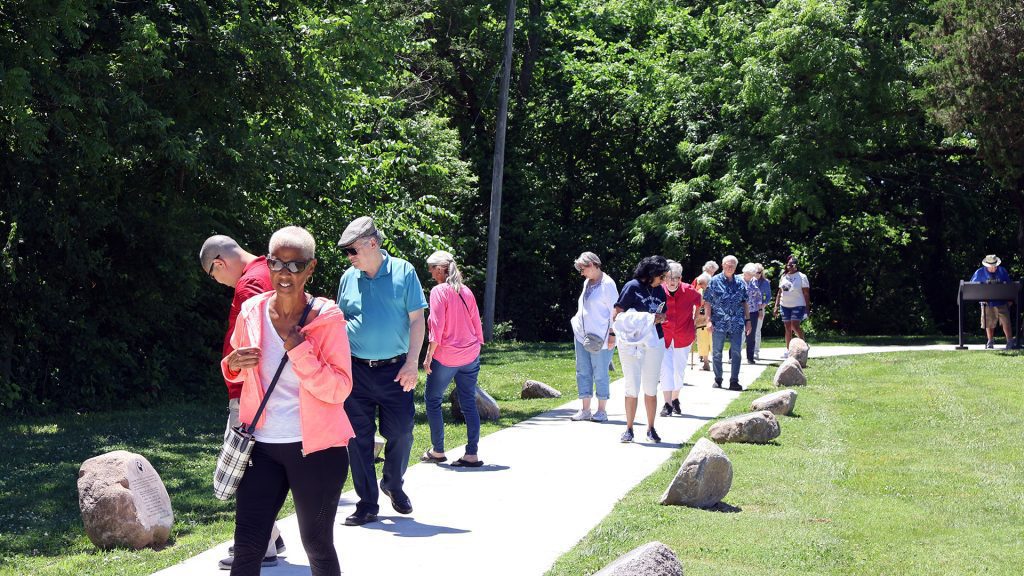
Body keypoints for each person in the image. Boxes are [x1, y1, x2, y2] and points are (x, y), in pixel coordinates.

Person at [221, 226, 354, 576]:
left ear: (310, 269)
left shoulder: (326, 318)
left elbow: (340, 388)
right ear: (267, 264)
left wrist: (300, 350)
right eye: (277, 263)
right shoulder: (251, 311)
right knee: (247, 546)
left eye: (296, 266)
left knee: (317, 546)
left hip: (317, 452)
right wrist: (231, 365)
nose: (285, 273)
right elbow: (237, 370)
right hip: (261, 448)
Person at [199, 235, 286, 569]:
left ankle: (258, 545)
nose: (218, 282)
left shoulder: (249, 284)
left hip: (250, 391)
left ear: (219, 263)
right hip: (267, 390)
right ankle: (273, 535)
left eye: (213, 275)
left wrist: (241, 389)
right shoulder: (269, 268)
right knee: (253, 465)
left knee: (243, 468)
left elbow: (254, 345)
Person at [335, 216, 427, 526]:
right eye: (346, 252)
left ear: (372, 243)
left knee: (400, 432)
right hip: (355, 371)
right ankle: (367, 503)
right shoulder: (349, 277)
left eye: (352, 250)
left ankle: (392, 483)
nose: (349, 257)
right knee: (357, 440)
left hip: (395, 370)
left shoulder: (404, 271)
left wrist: (412, 362)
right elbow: (339, 322)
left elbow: (417, 320)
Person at [421, 250, 486, 466]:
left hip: (447, 356)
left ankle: (438, 451)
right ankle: (471, 454)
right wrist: (477, 346)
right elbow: (477, 322)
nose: (430, 274)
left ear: (440, 269)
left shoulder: (439, 291)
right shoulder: (466, 291)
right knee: (468, 402)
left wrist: (429, 356)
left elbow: (437, 327)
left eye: (431, 269)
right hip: (470, 354)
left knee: (432, 400)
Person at [612, 256, 670, 444]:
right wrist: (645, 319)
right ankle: (629, 428)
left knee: (651, 386)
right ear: (651, 273)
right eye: (661, 276)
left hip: (654, 341)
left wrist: (660, 318)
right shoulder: (632, 286)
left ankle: (651, 428)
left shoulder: (660, 290)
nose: (663, 280)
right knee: (631, 386)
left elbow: (663, 312)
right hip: (631, 343)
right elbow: (617, 314)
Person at [569, 252, 618, 423]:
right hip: (582, 335)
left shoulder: (607, 284)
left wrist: (612, 334)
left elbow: (616, 310)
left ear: (592, 265)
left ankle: (602, 410)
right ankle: (585, 409)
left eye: (583, 269)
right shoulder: (586, 282)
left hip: (601, 337)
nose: (582, 273)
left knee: (600, 373)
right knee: (582, 371)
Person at [659, 261, 702, 417]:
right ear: (664, 278)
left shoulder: (689, 291)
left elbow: (701, 302)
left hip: (683, 336)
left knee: (678, 371)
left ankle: (675, 398)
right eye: (669, 277)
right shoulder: (658, 290)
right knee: (665, 371)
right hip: (663, 337)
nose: (672, 281)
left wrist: (695, 319)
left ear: (680, 278)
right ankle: (667, 404)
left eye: (675, 278)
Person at [703, 255, 750, 391]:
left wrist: (748, 321)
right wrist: (708, 321)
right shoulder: (714, 281)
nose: (730, 268)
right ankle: (718, 379)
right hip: (718, 322)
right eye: (727, 265)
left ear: (736, 268)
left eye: (733, 266)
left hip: (737, 322)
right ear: (722, 265)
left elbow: (745, 302)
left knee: (736, 352)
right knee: (717, 352)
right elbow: (707, 302)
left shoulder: (740, 282)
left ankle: (734, 380)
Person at [970, 254, 1015, 349]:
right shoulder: (979, 272)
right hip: (987, 302)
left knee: (1006, 322)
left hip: (1002, 301)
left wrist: (1010, 299)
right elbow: (973, 287)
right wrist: (981, 297)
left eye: (995, 266)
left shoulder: (1002, 271)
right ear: (986, 265)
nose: (993, 268)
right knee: (989, 322)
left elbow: (1009, 286)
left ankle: (1010, 341)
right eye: (991, 267)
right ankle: (990, 341)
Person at [774, 255, 810, 352]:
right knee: (787, 327)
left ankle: (803, 345)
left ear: (796, 265)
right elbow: (779, 292)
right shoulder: (784, 276)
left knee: (795, 325)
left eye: (791, 265)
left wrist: (807, 308)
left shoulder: (802, 277)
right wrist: (776, 306)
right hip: (784, 305)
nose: (789, 266)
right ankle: (788, 349)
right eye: (788, 265)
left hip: (798, 304)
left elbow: (806, 293)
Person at [741, 263, 763, 364]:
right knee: (737, 334)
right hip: (739, 311)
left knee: (751, 335)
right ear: (745, 272)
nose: (751, 276)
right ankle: (732, 356)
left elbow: (758, 296)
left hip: (753, 311)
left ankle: (750, 358)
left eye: (752, 274)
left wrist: (760, 310)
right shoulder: (737, 279)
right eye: (749, 274)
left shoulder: (754, 281)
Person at [753, 263, 772, 360]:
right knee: (744, 330)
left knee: (757, 330)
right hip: (749, 307)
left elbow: (768, 296)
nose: (757, 274)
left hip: (760, 307)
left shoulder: (765, 282)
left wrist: (763, 305)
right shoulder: (749, 280)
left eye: (759, 272)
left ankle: (756, 352)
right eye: (756, 272)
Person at [694, 273, 712, 371]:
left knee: (713, 342)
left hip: (712, 321)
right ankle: (705, 362)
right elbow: (697, 306)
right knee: (702, 342)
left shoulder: (715, 291)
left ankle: (716, 362)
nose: (700, 285)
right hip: (701, 321)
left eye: (702, 283)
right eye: (699, 283)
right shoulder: (699, 292)